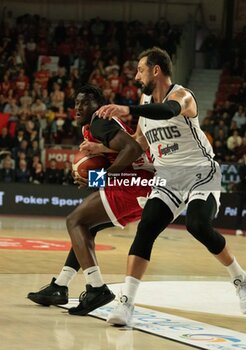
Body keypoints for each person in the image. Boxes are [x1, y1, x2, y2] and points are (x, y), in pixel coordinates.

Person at [96, 47, 246, 325]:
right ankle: (126, 303)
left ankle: (242, 279)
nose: (136, 75)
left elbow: (167, 110)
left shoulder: (183, 96)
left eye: (140, 69)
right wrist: (98, 148)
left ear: (156, 70)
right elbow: (137, 145)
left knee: (197, 224)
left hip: (200, 172)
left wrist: (127, 108)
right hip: (168, 177)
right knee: (147, 225)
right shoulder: (146, 108)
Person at [27, 85, 154, 315]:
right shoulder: (94, 126)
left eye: (84, 103)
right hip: (142, 187)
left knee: (74, 221)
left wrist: (103, 177)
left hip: (134, 184)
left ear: (98, 105)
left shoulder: (99, 120)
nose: (77, 107)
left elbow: (132, 149)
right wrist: (97, 173)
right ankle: (61, 286)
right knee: (87, 227)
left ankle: (96, 288)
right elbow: (118, 154)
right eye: (76, 103)